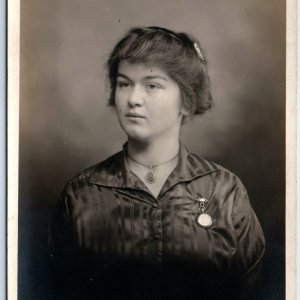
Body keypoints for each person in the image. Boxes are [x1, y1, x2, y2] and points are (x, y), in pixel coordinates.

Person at [48, 26, 265, 300]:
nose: (133, 100)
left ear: (186, 101)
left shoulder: (225, 191)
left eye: (152, 85)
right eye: (124, 84)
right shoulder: (81, 195)